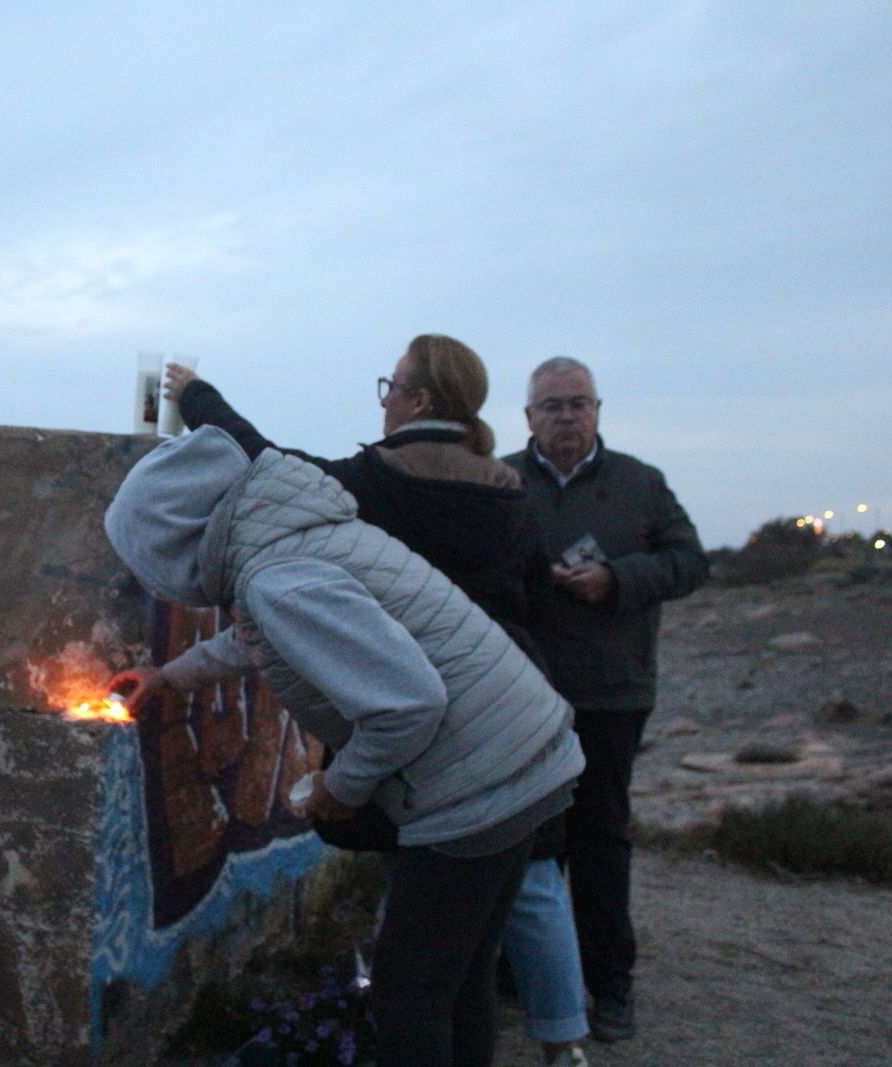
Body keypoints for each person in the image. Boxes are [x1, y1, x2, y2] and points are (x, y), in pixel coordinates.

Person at [160, 337, 591, 1065]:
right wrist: (176, 675)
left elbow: (258, 461)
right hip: (515, 720)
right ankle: (567, 1039)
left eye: (392, 385)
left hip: (451, 753)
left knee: (409, 989)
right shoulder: (508, 488)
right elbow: (288, 621)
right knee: (474, 962)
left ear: (419, 400)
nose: (385, 398)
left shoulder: (370, 487)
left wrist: (196, 396)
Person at [505, 357, 710, 1043]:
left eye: (578, 403)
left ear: (599, 410)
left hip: (611, 692)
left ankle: (610, 986)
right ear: (527, 416)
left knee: (599, 843)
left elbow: (691, 562)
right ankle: (519, 974)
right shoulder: (501, 481)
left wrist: (618, 578)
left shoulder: (641, 484)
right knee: (525, 844)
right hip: (519, 696)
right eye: (551, 405)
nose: (566, 416)